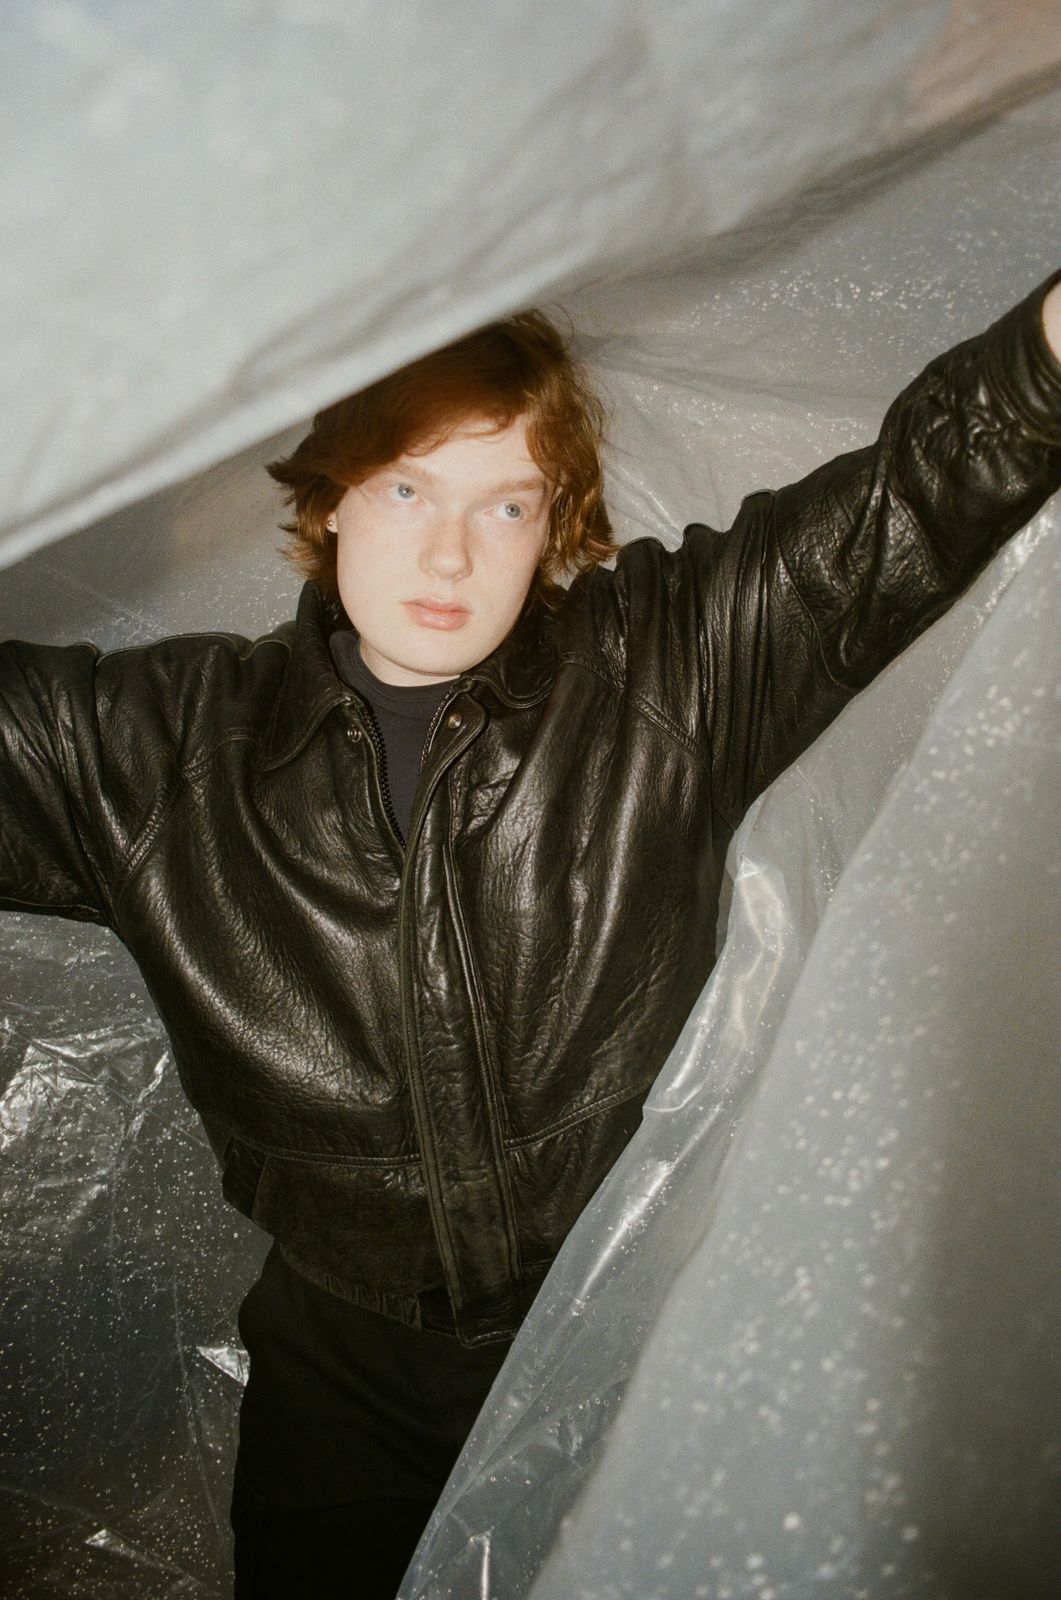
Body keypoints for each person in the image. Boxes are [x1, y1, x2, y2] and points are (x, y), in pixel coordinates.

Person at [2, 273, 1060, 1599]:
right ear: (328, 498)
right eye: (406, 489)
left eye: (504, 505)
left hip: (618, 1334)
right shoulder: (152, 754)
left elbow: (916, 491)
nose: (451, 557)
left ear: (553, 526)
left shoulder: (661, 674)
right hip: (345, 1368)